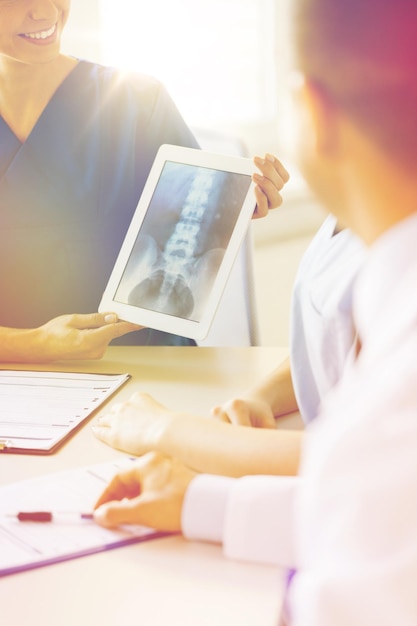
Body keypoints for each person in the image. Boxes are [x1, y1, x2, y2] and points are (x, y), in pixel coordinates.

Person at [93, 0, 417, 623]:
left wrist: (176, 434)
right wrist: (206, 503)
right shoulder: (379, 249)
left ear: (309, 113)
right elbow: (379, 502)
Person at [0, 0, 285, 363]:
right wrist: (36, 345)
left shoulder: (136, 100)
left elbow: (194, 222)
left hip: (149, 370)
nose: (46, 13)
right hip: (15, 381)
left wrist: (237, 205)